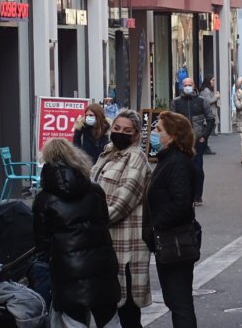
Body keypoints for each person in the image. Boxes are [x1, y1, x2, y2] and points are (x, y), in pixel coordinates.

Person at [33, 138, 120, 328]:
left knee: (74, 320)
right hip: (101, 263)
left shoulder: (43, 199)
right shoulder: (95, 189)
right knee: (108, 319)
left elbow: (42, 242)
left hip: (67, 268)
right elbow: (104, 220)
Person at [90, 110, 152, 328]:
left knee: (127, 310)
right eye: (117, 128)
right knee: (106, 307)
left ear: (136, 134)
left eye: (127, 130)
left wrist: (91, 223)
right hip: (104, 244)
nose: (120, 133)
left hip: (125, 245)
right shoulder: (107, 154)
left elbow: (122, 202)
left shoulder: (136, 158)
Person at [144, 112, 201, 327]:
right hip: (168, 240)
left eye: (159, 130)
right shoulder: (168, 159)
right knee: (176, 300)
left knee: (179, 301)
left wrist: (156, 226)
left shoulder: (177, 162)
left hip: (174, 241)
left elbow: (180, 203)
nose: (154, 133)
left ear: (173, 135)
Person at [170, 78, 215, 206]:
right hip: (181, 141)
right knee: (182, 169)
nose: (188, 87)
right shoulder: (176, 102)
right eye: (185, 85)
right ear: (182, 86)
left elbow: (210, 119)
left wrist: (204, 136)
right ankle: (185, 195)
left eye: (190, 85)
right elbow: (171, 121)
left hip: (198, 140)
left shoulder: (201, 101)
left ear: (194, 85)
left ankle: (197, 196)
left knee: (197, 169)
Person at [199, 75, 220, 156]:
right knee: (206, 132)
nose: (214, 82)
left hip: (211, 113)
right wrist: (216, 97)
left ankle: (205, 147)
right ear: (208, 81)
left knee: (207, 132)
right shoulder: (205, 91)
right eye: (212, 80)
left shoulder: (210, 90)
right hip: (207, 115)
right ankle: (204, 147)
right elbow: (207, 101)